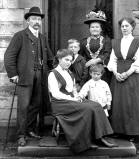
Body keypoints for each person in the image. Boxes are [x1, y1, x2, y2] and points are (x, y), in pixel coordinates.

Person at [48, 49, 117, 153]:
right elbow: (55, 94)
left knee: (96, 105)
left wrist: (77, 96)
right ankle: (83, 142)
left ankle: (100, 136)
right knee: (88, 108)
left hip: (71, 100)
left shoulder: (69, 73)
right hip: (60, 103)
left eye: (70, 60)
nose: (69, 63)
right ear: (59, 59)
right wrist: (73, 99)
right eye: (66, 60)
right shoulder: (53, 74)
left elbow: (73, 89)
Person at [4, 6, 53, 146]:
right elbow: (9, 56)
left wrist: (57, 70)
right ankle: (21, 135)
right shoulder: (20, 36)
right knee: (23, 106)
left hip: (40, 75)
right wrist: (13, 74)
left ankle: (30, 130)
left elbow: (49, 57)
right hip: (25, 76)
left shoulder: (42, 38)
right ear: (28, 21)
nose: (37, 21)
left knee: (36, 105)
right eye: (33, 19)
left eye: (38, 19)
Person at [107, 17, 139, 139]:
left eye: (127, 26)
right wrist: (115, 73)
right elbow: (112, 60)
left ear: (132, 27)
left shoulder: (137, 42)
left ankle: (132, 133)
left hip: (131, 76)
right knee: (118, 103)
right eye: (122, 26)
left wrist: (127, 73)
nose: (124, 28)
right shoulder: (116, 42)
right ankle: (118, 131)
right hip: (118, 76)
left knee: (131, 103)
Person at [79, 10, 112, 84]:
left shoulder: (106, 40)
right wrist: (85, 64)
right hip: (88, 71)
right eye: (92, 27)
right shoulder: (83, 42)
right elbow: (80, 56)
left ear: (101, 29)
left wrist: (95, 61)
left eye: (97, 27)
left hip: (102, 71)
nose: (94, 29)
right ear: (89, 29)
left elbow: (107, 54)